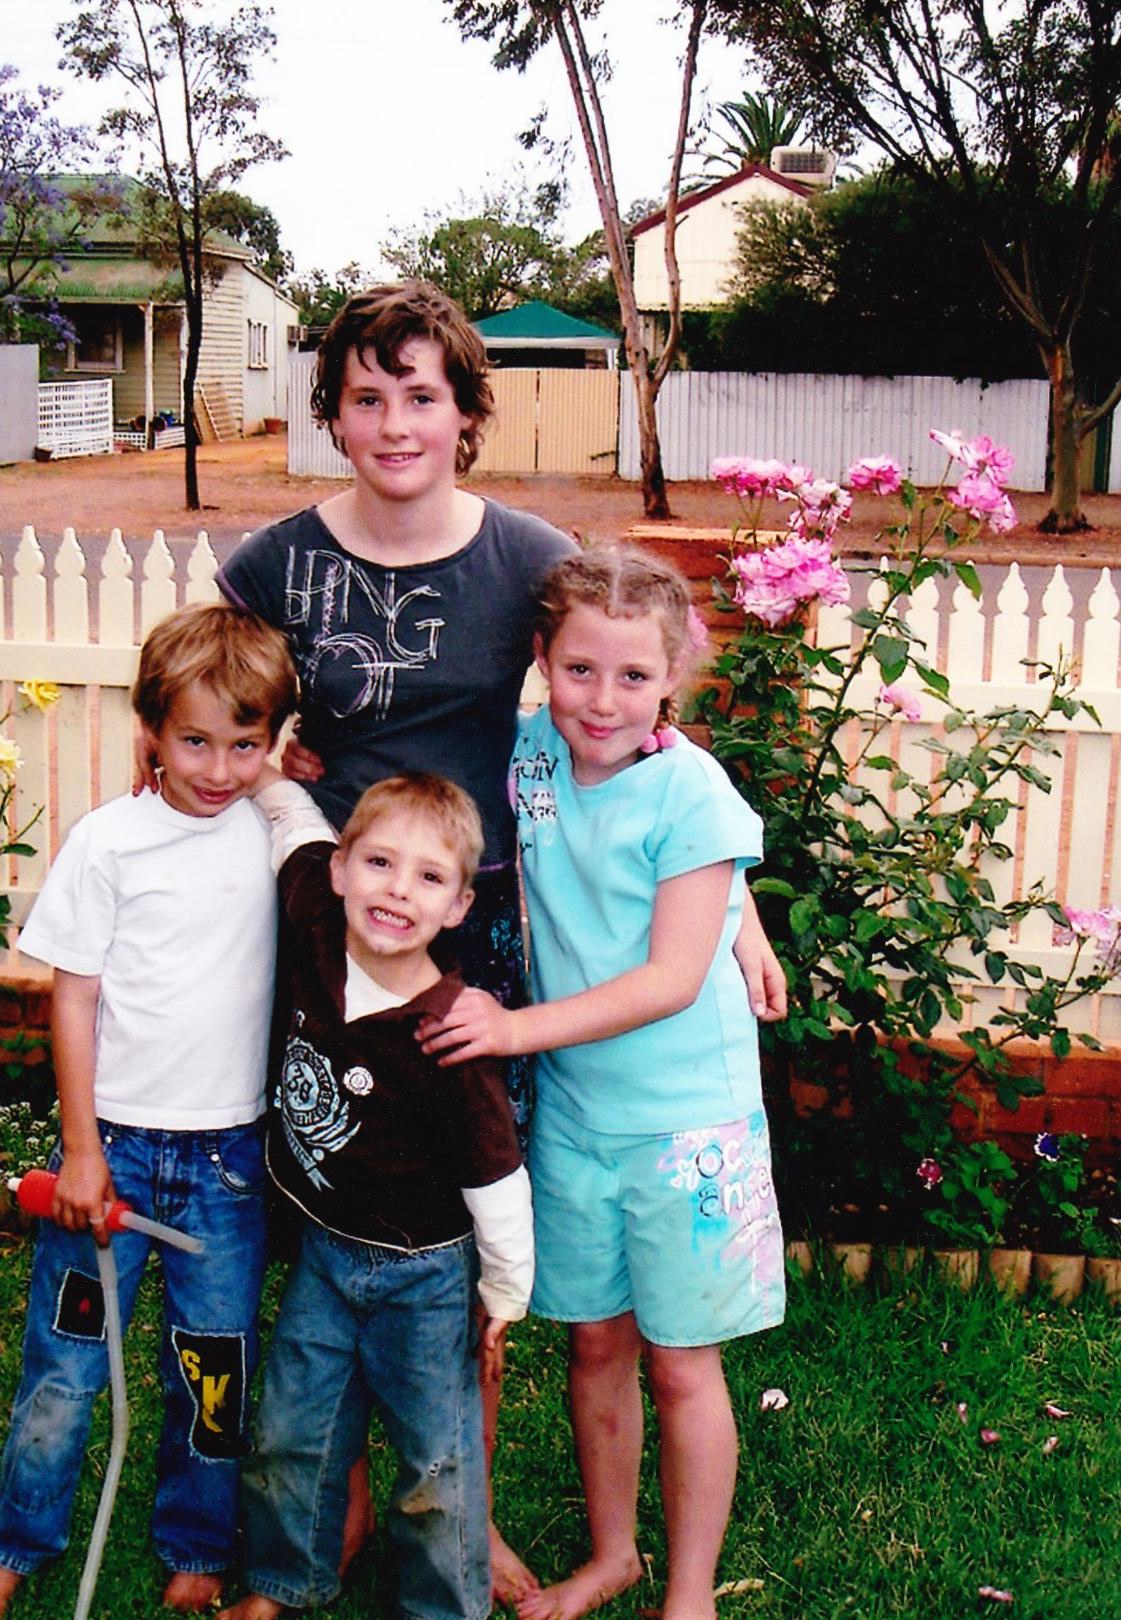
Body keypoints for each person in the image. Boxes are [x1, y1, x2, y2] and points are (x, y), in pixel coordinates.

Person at [211, 278, 784, 1598]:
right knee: (338, 1208)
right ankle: (346, 1501)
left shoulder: (525, 558)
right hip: (331, 935)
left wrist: (737, 913)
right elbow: (216, 706)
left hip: (480, 952)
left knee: (459, 1239)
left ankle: (452, 1506)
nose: (395, 423)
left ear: (466, 412)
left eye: (422, 395)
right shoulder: (273, 566)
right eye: (367, 396)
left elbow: (651, 737)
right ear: (332, 412)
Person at [420, 546, 787, 1620]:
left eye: (633, 677)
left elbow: (671, 978)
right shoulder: (533, 753)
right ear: (542, 660)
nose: (602, 700)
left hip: (687, 1126)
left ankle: (690, 1595)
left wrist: (513, 1029)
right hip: (578, 1117)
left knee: (680, 1365)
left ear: (671, 679)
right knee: (595, 1346)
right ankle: (614, 1553)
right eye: (579, 670)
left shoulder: (690, 789)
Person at [0, 602, 298, 1616]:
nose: (217, 769)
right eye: (194, 742)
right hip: (115, 1152)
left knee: (211, 1366)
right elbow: (72, 996)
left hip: (226, 1165)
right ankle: (19, 1538)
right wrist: (81, 1150)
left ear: (272, 741)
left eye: (244, 745)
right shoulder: (109, 842)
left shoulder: (275, 838)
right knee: (66, 1364)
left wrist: (288, 783)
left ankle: (197, 1546)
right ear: (151, 733)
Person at [217, 768, 533, 1620]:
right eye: (379, 863)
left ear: (459, 906)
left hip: (424, 1277)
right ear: (341, 869)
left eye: (428, 877)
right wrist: (261, 774)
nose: (396, 890)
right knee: (292, 1430)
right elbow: (293, 823)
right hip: (324, 1255)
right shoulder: (316, 922)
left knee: (436, 1459)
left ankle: (442, 1607)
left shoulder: (449, 1032)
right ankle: (283, 1581)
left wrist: (504, 1295)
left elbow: (497, 1177)